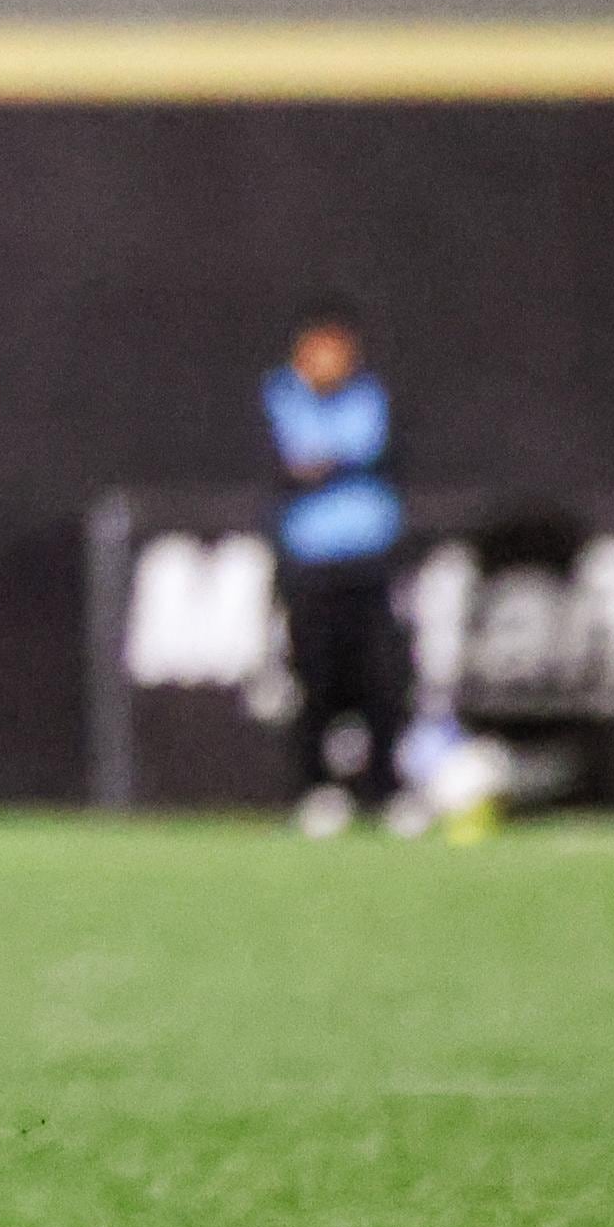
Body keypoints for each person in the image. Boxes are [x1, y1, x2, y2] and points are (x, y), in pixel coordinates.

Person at [265, 305, 408, 837]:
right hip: (310, 566)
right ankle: (316, 789)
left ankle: (385, 789)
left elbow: (360, 453)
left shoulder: (371, 397)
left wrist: (325, 465)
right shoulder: (279, 397)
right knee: (314, 679)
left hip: (369, 563)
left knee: (383, 680)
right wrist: (326, 465)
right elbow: (293, 466)